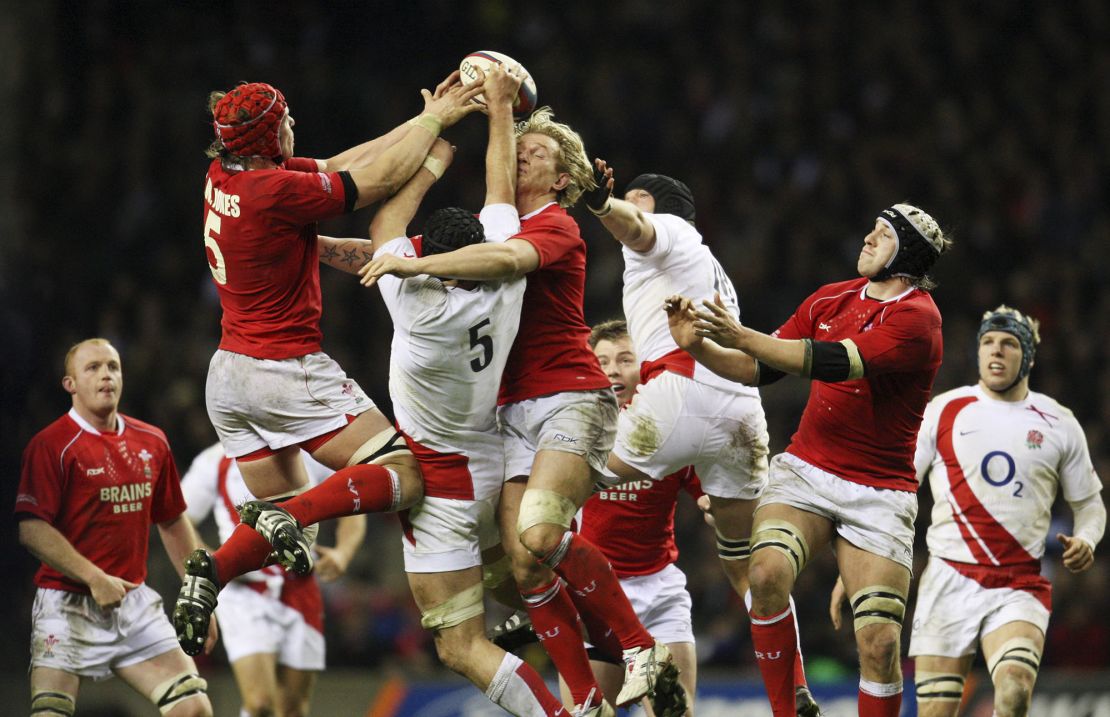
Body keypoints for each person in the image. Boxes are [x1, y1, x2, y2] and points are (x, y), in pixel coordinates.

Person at [360, 109, 683, 716]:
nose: (523, 157)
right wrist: (323, 250)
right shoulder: (491, 227)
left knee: (539, 535)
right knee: (527, 568)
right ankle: (586, 701)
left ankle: (642, 649)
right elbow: (395, 253)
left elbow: (503, 263)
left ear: (563, 179)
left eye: (537, 153)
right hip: (508, 416)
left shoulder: (557, 226)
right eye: (522, 149)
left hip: (571, 397)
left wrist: (415, 263)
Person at [175, 73, 484, 657]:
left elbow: (344, 161)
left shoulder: (228, 174)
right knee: (406, 475)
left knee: (297, 523)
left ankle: (209, 574)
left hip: (229, 377)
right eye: (287, 120)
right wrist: (436, 131)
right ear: (269, 138)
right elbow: (379, 180)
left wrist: (429, 117)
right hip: (284, 371)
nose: (295, 126)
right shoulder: (274, 192)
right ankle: (275, 520)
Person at [317, 64, 570, 716]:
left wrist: (432, 159)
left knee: (460, 646)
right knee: (512, 580)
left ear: (430, 263)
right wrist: (501, 114)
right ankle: (580, 638)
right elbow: (497, 195)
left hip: (441, 480)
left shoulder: (417, 302)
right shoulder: (506, 272)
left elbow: (382, 236)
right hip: (491, 456)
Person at [666, 204, 952, 717]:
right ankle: (788, 709)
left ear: (906, 254)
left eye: (883, 233)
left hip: (880, 492)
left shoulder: (918, 319)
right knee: (766, 573)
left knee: (880, 646)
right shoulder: (831, 296)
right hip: (808, 470)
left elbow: (836, 362)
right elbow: (759, 366)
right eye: (872, 227)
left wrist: (740, 333)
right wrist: (701, 348)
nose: (867, 238)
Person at [582, 167, 822, 717]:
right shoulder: (709, 273)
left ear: (657, 206)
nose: (625, 207)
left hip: (677, 391)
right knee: (747, 569)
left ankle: (563, 618)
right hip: (738, 410)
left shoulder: (672, 233)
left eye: (631, 199)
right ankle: (792, 697)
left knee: (551, 503)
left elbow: (639, 228)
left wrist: (599, 202)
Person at [829, 305, 1105, 717]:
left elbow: (1090, 505)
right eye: (988, 343)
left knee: (1013, 692)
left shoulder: (1058, 422)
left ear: (1027, 356)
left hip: (1018, 583)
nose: (996, 351)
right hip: (948, 579)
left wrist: (1086, 538)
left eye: (1009, 344)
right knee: (936, 711)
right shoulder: (944, 410)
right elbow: (899, 489)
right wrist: (857, 566)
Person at [15, 338, 215, 717]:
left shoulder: (152, 441)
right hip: (67, 604)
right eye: (92, 368)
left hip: (131, 602)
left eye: (113, 366)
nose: (106, 375)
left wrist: (199, 595)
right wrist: (93, 577)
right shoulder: (51, 445)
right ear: (69, 384)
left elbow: (172, 520)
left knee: (193, 709)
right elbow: (32, 529)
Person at [181, 442, 366, 717]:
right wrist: (214, 562)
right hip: (245, 593)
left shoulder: (307, 453)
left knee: (292, 708)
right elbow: (180, 517)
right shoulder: (214, 461)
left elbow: (355, 495)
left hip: (299, 587)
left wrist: (343, 552)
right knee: (260, 704)